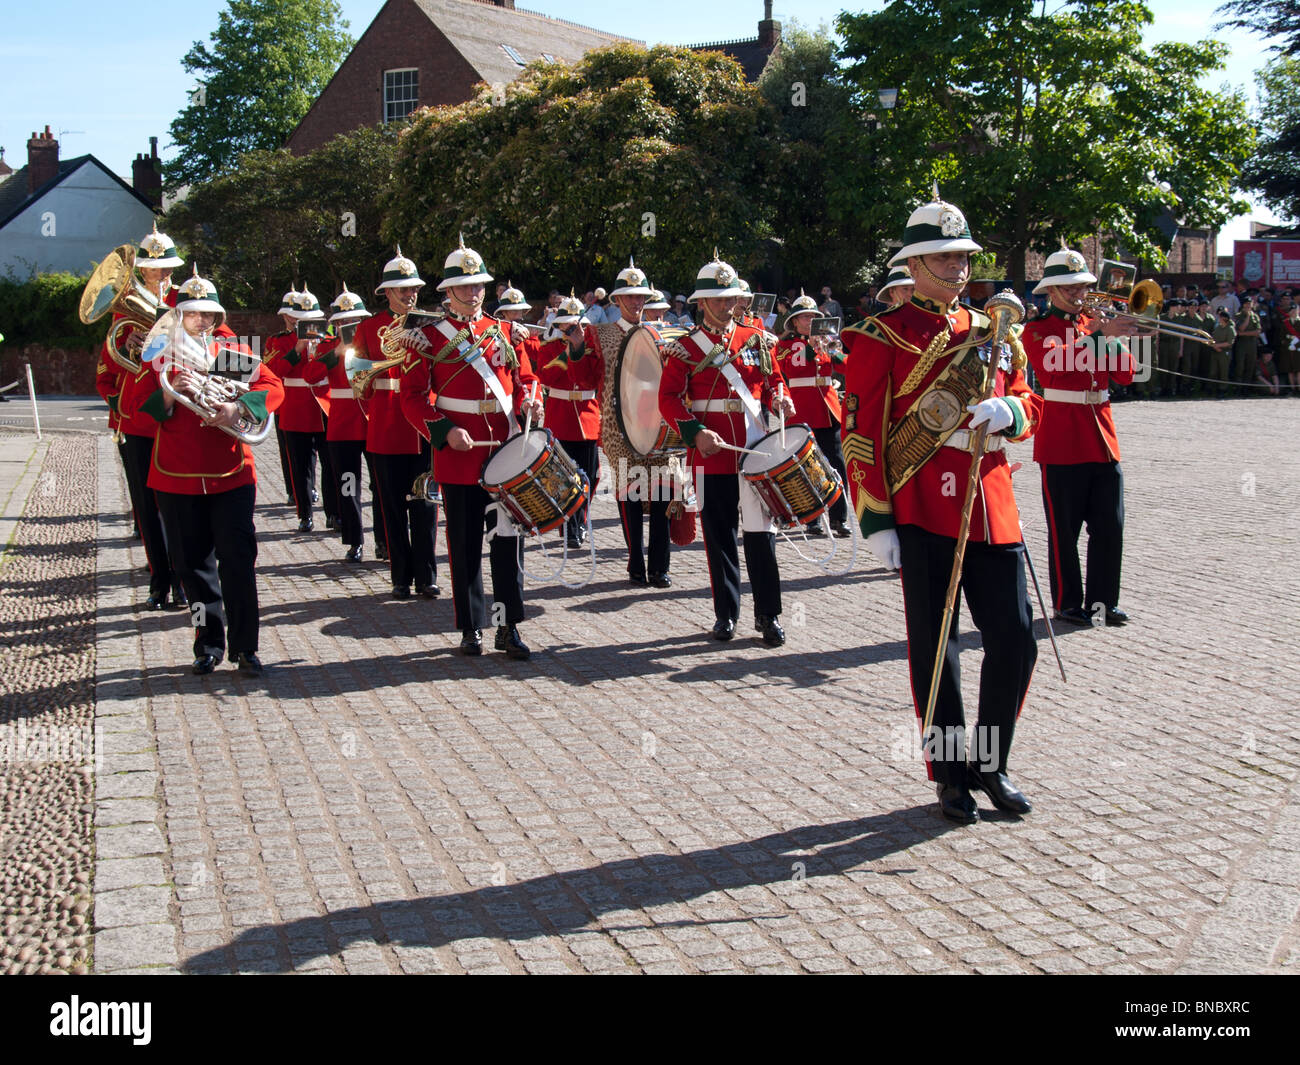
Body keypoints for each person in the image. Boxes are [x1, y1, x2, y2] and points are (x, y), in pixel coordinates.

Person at [840, 197, 1040, 824]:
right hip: (923, 506)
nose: (958, 267)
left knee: (1015, 639)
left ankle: (991, 760)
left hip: (991, 502)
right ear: (916, 263)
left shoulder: (992, 330)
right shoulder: (880, 336)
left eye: (963, 257)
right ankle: (951, 775)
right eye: (945, 257)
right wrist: (874, 518)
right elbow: (860, 431)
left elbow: (1027, 399)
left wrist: (1010, 413)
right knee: (938, 651)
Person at [118, 270, 284, 675]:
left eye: (208, 314)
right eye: (193, 314)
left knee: (239, 562)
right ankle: (206, 643)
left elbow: (274, 388)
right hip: (176, 474)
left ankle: (246, 647)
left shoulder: (229, 352)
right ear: (179, 316)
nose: (201, 321)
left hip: (230, 473)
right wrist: (169, 392)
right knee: (192, 570)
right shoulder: (161, 355)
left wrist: (238, 409)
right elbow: (139, 406)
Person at [399, 237, 542, 658]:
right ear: (447, 291)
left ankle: (507, 626)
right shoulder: (425, 337)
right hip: (458, 453)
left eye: (479, 284)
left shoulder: (504, 332)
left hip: (503, 451)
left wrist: (532, 400)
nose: (475, 292)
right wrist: (442, 430)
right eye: (465, 286)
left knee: (507, 542)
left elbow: (526, 380)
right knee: (464, 546)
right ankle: (471, 627)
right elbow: (411, 397)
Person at [658, 253, 795, 646]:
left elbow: (773, 381)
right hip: (710, 450)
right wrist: (694, 431)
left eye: (731, 297)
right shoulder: (685, 347)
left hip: (754, 449)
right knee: (720, 538)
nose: (726, 305)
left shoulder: (755, 339)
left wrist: (781, 398)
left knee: (761, 535)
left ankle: (768, 615)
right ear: (702, 302)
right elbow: (668, 399)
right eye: (717, 299)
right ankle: (726, 614)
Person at [1021, 247, 1134, 628]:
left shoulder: (1095, 322)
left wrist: (1115, 336)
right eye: (1068, 286)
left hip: (1102, 436)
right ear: (1050, 291)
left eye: (1082, 285)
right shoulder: (1036, 329)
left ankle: (1104, 604)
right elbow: (1053, 368)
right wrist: (1099, 334)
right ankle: (1068, 603)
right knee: (1064, 531)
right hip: (1062, 439)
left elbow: (1128, 375)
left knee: (1109, 528)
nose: (1077, 292)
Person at [96, 222, 185, 611]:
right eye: (155, 268)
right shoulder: (122, 313)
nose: (162, 274)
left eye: (167, 267)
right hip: (137, 421)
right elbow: (106, 370)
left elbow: (223, 348)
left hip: (178, 416)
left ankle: (184, 578)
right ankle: (159, 579)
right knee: (146, 507)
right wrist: (128, 348)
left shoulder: (190, 302)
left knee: (179, 507)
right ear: (141, 272)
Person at [354, 247, 439, 599]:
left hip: (421, 428)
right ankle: (400, 576)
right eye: (402, 290)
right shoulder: (369, 327)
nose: (410, 295)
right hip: (387, 424)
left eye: (413, 289)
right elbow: (358, 381)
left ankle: (427, 576)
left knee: (426, 504)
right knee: (391, 506)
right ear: (387, 293)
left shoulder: (432, 325)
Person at [596, 259, 673, 587]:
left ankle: (660, 566)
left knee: (663, 492)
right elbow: (580, 372)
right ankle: (635, 563)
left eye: (641, 296)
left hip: (657, 422)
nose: (636, 302)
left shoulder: (661, 333)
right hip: (619, 425)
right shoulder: (599, 333)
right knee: (629, 494)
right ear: (616, 301)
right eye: (629, 297)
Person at [302, 285, 375, 562]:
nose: (348, 326)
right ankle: (354, 540)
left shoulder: (372, 342)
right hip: (342, 424)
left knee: (377, 486)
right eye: (343, 322)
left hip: (370, 419)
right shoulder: (326, 347)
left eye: (353, 321)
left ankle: (383, 541)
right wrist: (336, 353)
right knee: (348, 485)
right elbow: (310, 375)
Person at [773, 290, 851, 537]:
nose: (809, 321)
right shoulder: (786, 345)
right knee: (806, 467)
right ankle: (812, 518)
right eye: (804, 318)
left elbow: (847, 365)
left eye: (812, 317)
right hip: (802, 410)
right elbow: (789, 364)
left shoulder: (828, 343)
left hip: (828, 410)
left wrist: (833, 352)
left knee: (836, 463)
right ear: (795, 322)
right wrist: (813, 347)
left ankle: (839, 517)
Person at [265, 286, 338, 532]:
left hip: (324, 408)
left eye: (313, 321)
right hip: (295, 410)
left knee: (331, 466)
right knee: (301, 467)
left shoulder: (329, 340)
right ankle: (304, 513)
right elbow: (272, 373)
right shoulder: (280, 341)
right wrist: (296, 351)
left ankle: (333, 513)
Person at [533, 292, 602, 548]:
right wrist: (570, 352)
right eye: (569, 324)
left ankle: (580, 519)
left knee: (591, 476)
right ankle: (572, 527)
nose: (575, 328)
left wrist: (578, 351)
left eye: (580, 324)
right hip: (561, 415)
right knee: (564, 478)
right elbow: (547, 377)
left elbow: (590, 381)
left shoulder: (592, 349)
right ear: (559, 324)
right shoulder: (549, 348)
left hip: (587, 415)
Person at [1234, 297, 1263, 396]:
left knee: (1250, 366)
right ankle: (1238, 387)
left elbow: (1258, 332)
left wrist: (1245, 333)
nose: (1248, 306)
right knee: (1240, 366)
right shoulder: (1238, 316)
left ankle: (1246, 388)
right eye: (1246, 304)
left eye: (1249, 303)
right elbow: (1240, 330)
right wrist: (1247, 317)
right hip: (1242, 345)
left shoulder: (1256, 316)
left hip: (1252, 345)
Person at [1209, 310, 1235, 398]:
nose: (1218, 319)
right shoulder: (1218, 327)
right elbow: (1213, 338)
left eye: (1220, 317)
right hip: (1215, 352)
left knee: (1224, 372)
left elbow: (1229, 342)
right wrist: (1214, 346)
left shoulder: (1230, 328)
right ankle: (1213, 389)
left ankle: (1223, 390)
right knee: (1213, 371)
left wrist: (1218, 345)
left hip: (1224, 353)